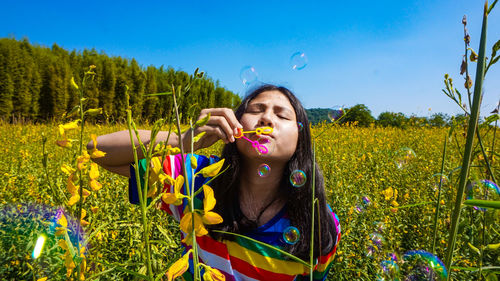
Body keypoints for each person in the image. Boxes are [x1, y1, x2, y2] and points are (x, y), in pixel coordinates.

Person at [90, 84, 341, 281]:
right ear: (234, 126)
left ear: (301, 138)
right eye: (255, 110)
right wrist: (183, 140)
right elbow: (96, 149)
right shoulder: (196, 177)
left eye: (282, 115)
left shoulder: (319, 223)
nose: (266, 119)